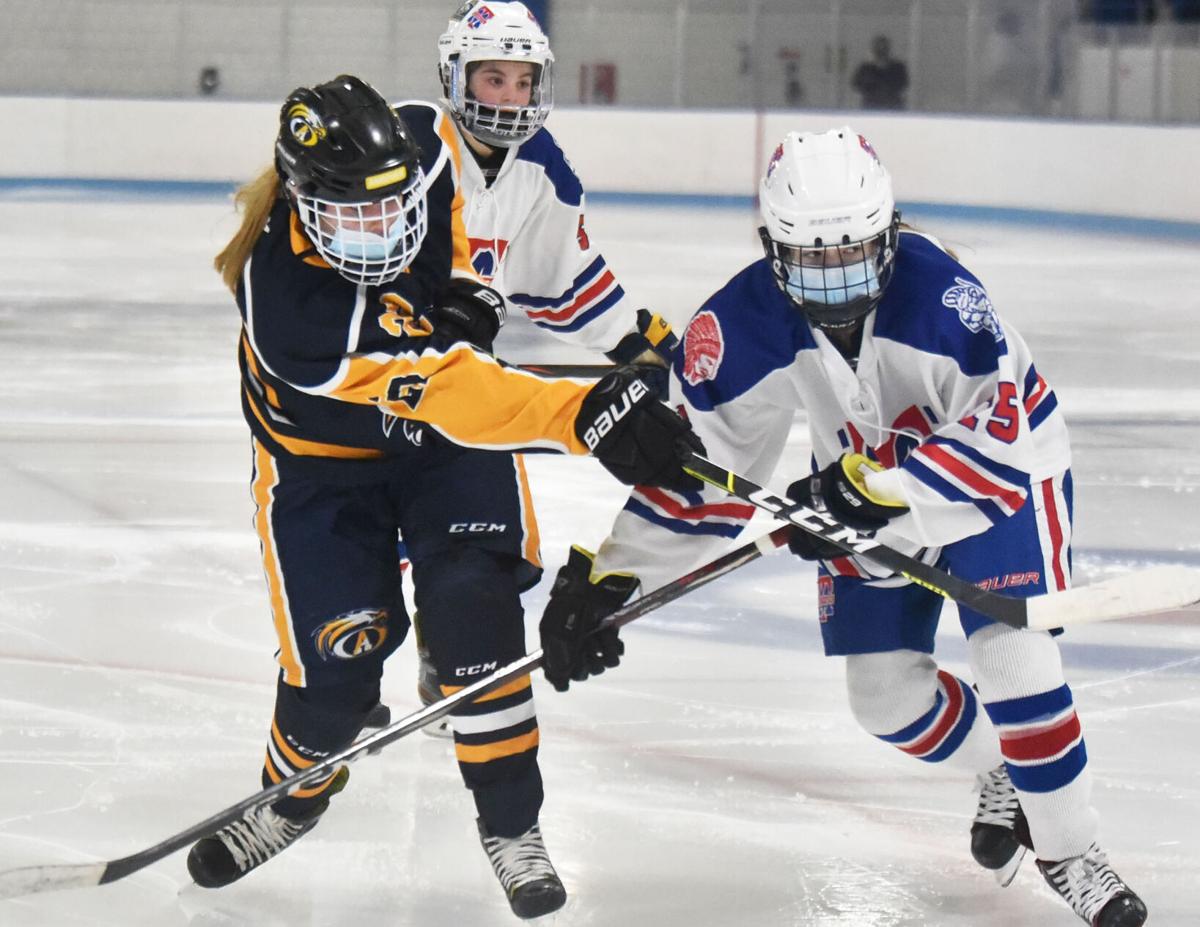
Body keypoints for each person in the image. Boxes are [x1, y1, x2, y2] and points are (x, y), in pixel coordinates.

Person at [538, 128, 1148, 927]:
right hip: (862, 485)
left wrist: (876, 491)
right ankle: (1003, 769)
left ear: (888, 234)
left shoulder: (942, 298)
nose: (837, 277)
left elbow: (998, 446)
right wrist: (616, 575)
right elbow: (708, 473)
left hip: (998, 482)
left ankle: (1072, 850)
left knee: (1015, 661)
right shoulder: (741, 324)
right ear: (772, 249)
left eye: (855, 251)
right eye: (812, 258)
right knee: (885, 699)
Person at [184, 74, 701, 920]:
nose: (382, 229)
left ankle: (512, 824)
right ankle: (293, 795)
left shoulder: (418, 154)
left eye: (392, 208)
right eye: (354, 215)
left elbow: (455, 221)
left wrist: (469, 294)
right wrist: (583, 414)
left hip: (440, 456)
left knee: (476, 616)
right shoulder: (292, 311)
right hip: (322, 472)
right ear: (305, 201)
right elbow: (456, 389)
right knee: (336, 676)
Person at [396, 0, 678, 734]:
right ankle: (347, 667)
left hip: (466, 387)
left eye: (523, 82)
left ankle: (445, 642)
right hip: (378, 380)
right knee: (371, 539)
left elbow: (567, 278)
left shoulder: (542, 166)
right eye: (494, 79)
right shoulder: (409, 147)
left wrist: (636, 342)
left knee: (478, 539)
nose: (512, 98)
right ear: (455, 77)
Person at [851, 35, 908, 110]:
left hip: (893, 106)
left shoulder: (898, 68)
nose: (881, 51)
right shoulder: (865, 68)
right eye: (878, 48)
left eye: (884, 48)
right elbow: (856, 84)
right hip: (870, 106)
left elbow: (903, 83)